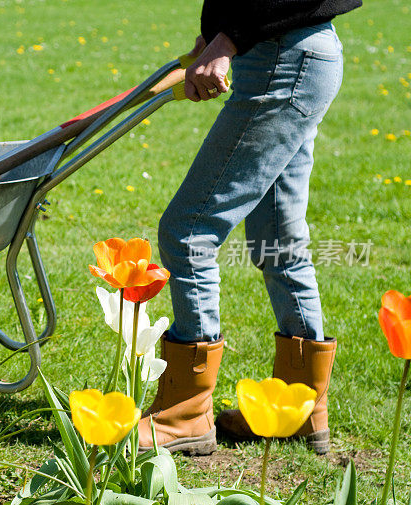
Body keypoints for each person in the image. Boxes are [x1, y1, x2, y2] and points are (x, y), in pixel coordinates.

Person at [138, 0, 361, 456]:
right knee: (279, 239)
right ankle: (298, 408)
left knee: (189, 229)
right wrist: (218, 31)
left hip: (285, 58)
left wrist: (229, 37)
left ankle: (186, 412)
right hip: (292, 54)